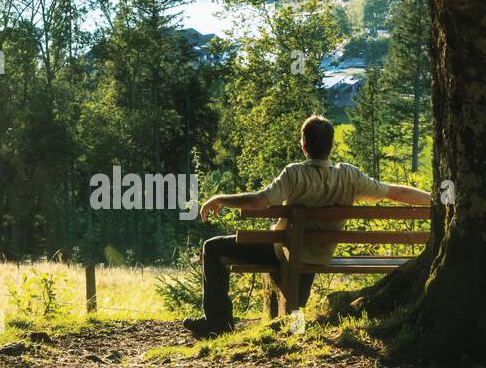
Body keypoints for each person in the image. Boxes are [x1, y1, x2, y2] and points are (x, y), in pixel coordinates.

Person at [183, 114, 431, 338]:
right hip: (320, 255)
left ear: (303, 146)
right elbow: (396, 193)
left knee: (213, 247)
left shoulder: (294, 174)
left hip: (286, 251)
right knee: (296, 292)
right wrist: (437, 200)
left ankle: (217, 321)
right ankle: (293, 321)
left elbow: (258, 201)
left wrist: (220, 199)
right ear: (331, 146)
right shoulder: (350, 176)